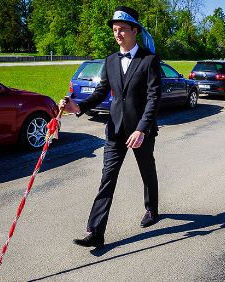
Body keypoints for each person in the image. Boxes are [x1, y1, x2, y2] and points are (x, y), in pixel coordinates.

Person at [60, 6, 162, 248]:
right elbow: (100, 92)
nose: (117, 34)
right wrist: (78, 107)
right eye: (115, 30)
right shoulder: (110, 61)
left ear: (135, 30)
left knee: (147, 172)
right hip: (115, 130)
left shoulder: (149, 60)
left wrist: (142, 129)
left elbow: (153, 98)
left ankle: (152, 209)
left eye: (122, 29)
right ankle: (95, 232)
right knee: (107, 178)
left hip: (141, 131)